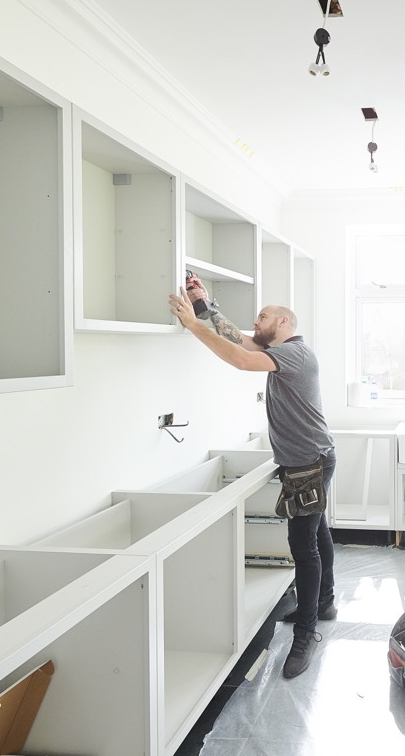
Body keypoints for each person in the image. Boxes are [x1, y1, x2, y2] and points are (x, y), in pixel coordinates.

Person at [170, 289, 336, 679]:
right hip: (309, 459)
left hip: (308, 464)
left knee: (303, 546)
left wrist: (193, 325)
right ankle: (325, 602)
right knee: (318, 530)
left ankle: (306, 633)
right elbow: (240, 340)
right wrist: (206, 306)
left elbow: (243, 359)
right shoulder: (281, 351)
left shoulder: (296, 353)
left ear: (284, 322)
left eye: (262, 317)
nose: (255, 322)